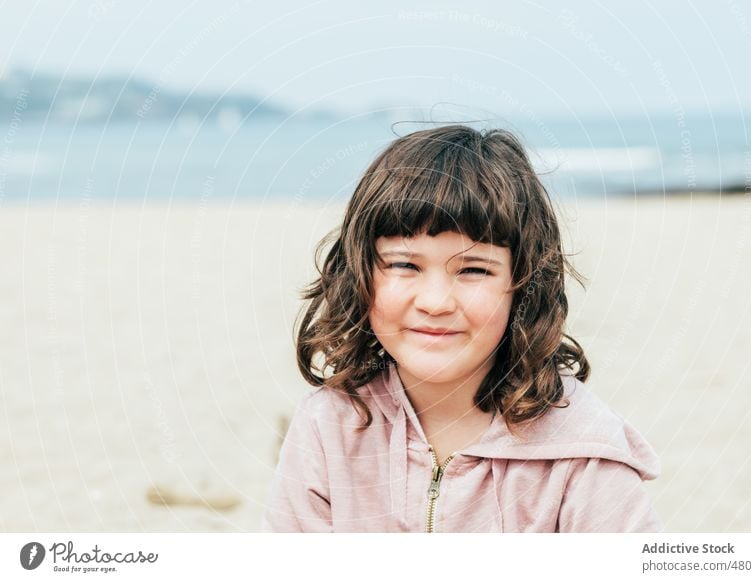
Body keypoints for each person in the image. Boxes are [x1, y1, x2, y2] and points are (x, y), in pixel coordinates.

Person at [263, 124, 662, 532]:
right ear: (360, 275)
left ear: (523, 285)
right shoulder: (329, 427)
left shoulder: (584, 453)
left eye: (473, 269)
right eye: (405, 265)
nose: (436, 302)